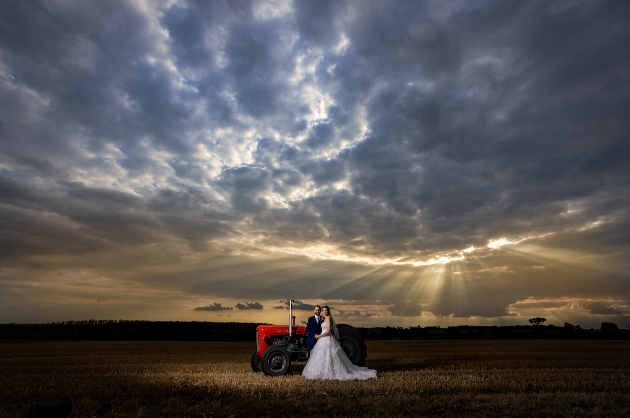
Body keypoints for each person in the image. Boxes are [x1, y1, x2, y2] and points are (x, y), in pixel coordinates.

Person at [302, 306, 377, 380]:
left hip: (325, 338)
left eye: (325, 310)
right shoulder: (320, 318)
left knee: (328, 356)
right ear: (315, 310)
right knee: (320, 357)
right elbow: (308, 329)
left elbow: (328, 331)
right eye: (322, 310)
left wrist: (319, 336)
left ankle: (329, 372)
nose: (323, 312)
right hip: (319, 339)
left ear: (328, 311)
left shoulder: (327, 318)